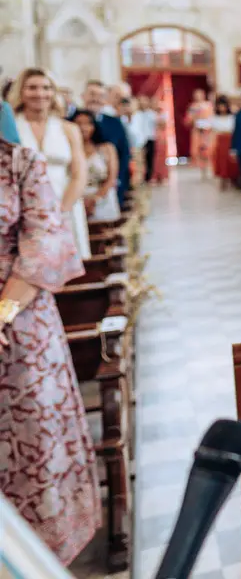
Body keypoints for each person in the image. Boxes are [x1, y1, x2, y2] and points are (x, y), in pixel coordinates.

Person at [0, 140, 100, 564]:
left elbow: (45, 238)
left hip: (19, 323)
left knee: (31, 440)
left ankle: (39, 559)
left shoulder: (17, 161)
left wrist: (3, 311)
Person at [9, 69, 90, 260]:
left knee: (64, 269)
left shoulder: (68, 129)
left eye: (46, 88)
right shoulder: (10, 129)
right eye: (32, 88)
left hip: (64, 206)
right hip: (22, 211)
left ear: (54, 93)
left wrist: (61, 210)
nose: (40, 93)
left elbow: (79, 175)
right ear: (21, 92)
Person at [82, 80, 131, 204]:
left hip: (108, 189)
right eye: (92, 94)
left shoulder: (115, 123)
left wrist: (118, 183)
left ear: (106, 100)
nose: (96, 99)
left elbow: (124, 154)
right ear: (83, 96)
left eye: (101, 96)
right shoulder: (71, 122)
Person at [70, 110, 121, 222]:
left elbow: (112, 178)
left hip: (102, 199)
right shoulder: (68, 150)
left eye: (88, 123)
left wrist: (95, 199)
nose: (83, 127)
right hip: (76, 199)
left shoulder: (106, 148)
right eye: (79, 123)